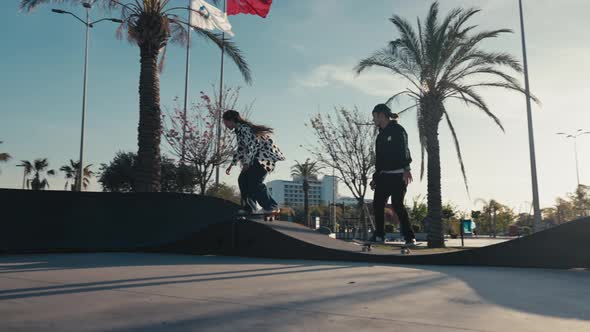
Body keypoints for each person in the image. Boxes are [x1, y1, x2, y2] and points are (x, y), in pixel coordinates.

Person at [369, 104, 416, 245]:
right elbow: (379, 160)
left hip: (398, 175)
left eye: (374, 117)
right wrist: (375, 178)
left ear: (381, 115)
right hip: (383, 176)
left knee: (397, 205)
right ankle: (379, 235)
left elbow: (404, 149)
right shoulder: (380, 136)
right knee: (377, 204)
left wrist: (407, 168)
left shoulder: (398, 130)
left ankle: (409, 237)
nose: (373, 120)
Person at [223, 110, 285, 214]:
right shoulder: (239, 130)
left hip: (265, 158)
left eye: (225, 122)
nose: (225, 125)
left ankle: (271, 206)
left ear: (231, 120)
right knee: (243, 179)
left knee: (254, 182)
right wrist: (231, 164)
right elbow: (241, 149)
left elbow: (253, 145)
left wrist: (247, 163)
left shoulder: (244, 129)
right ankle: (249, 208)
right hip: (257, 157)